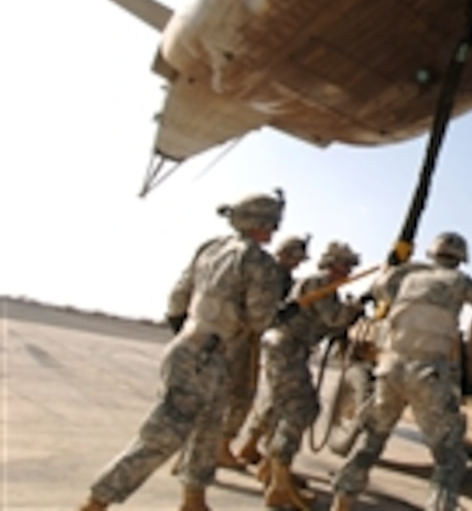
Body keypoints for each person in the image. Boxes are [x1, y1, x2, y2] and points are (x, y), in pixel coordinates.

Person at [77, 190, 287, 511]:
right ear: (259, 222)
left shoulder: (210, 248)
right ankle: (96, 502)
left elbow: (177, 300)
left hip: (192, 348)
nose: (273, 231)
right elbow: (258, 319)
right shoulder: (258, 261)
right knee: (163, 436)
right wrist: (284, 312)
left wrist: (192, 338)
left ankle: (194, 502)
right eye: (271, 223)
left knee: (207, 433)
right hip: (207, 357)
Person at [330, 232, 472, 511]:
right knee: (449, 459)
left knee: (371, 439)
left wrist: (395, 263)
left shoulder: (404, 277)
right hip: (427, 374)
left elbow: (377, 289)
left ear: (432, 253)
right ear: (461, 258)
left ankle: (342, 499)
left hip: (390, 368)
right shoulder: (458, 282)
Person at [260, 241, 366, 510]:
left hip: (288, 347)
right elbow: (334, 319)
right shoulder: (321, 284)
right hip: (288, 347)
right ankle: (279, 486)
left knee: (281, 409)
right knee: (301, 409)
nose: (349, 272)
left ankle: (271, 469)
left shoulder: (320, 284)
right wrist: (355, 308)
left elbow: (324, 325)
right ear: (334, 264)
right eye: (346, 266)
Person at [228, 234, 312, 468]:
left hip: (255, 334)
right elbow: (259, 308)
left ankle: (238, 445)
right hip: (246, 335)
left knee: (256, 394)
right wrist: (282, 313)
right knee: (239, 393)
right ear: (284, 253)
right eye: (294, 257)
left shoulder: (283, 276)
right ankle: (221, 446)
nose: (297, 262)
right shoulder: (271, 274)